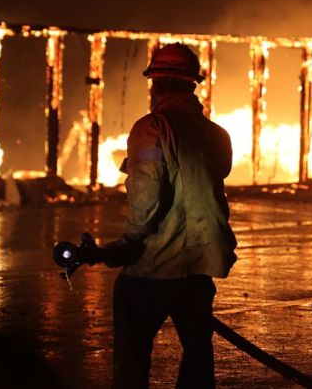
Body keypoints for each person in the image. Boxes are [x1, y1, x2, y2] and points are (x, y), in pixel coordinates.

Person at [88, 43, 236, 388]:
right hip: (199, 265)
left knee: (133, 346)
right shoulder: (217, 134)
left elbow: (146, 199)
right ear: (192, 84)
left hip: (155, 266)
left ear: (155, 83)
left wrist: (128, 242)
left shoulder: (151, 128)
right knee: (198, 351)